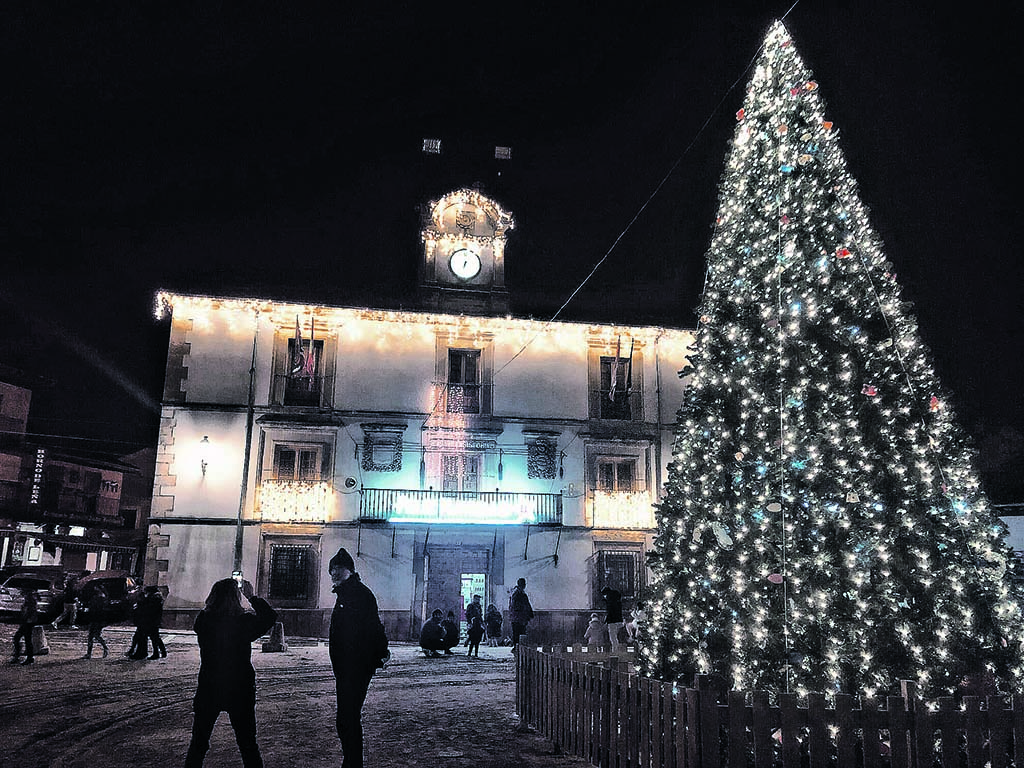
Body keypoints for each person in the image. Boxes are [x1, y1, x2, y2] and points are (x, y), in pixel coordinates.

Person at [184, 577, 277, 768]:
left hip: (210, 686)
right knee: (247, 743)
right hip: (239, 688)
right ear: (236, 598)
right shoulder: (243, 623)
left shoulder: (204, 620)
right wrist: (252, 597)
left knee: (199, 743)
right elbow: (270, 617)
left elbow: (200, 622)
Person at [328, 547, 388, 768]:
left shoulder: (359, 594)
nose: (335, 572)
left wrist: (380, 652)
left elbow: (373, 626)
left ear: (350, 571)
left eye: (339, 568)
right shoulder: (345, 593)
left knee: (347, 718)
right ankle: (351, 761)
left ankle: (353, 763)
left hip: (356, 667)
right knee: (346, 718)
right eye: (333, 569)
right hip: (346, 668)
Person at [12, 589, 39, 665]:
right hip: (28, 622)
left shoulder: (30, 602)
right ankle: (26, 657)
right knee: (25, 639)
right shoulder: (30, 601)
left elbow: (28, 612)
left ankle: (22, 656)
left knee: (21, 638)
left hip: (28, 622)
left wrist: (24, 618)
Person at [139, 585, 167, 659]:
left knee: (154, 638)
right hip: (154, 620)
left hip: (152, 620)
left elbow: (148, 608)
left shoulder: (154, 599)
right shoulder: (157, 598)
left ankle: (156, 653)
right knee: (156, 637)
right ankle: (162, 652)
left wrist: (144, 600)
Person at [508, 577, 534, 650]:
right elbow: (522, 605)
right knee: (518, 633)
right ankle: (517, 648)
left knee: (520, 633)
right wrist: (529, 613)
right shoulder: (518, 594)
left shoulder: (518, 593)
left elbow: (526, 604)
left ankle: (518, 648)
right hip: (518, 617)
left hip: (518, 617)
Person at [84, 587, 109, 659]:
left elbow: (94, 608)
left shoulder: (99, 598)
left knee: (95, 635)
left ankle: (104, 648)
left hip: (97, 619)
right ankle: (89, 653)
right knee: (92, 636)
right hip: (97, 619)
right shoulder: (102, 597)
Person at [601, 586, 624, 653]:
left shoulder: (610, 600)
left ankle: (615, 651)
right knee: (616, 637)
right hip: (619, 620)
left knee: (613, 637)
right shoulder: (617, 599)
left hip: (612, 621)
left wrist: (606, 620)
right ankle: (618, 649)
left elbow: (610, 611)